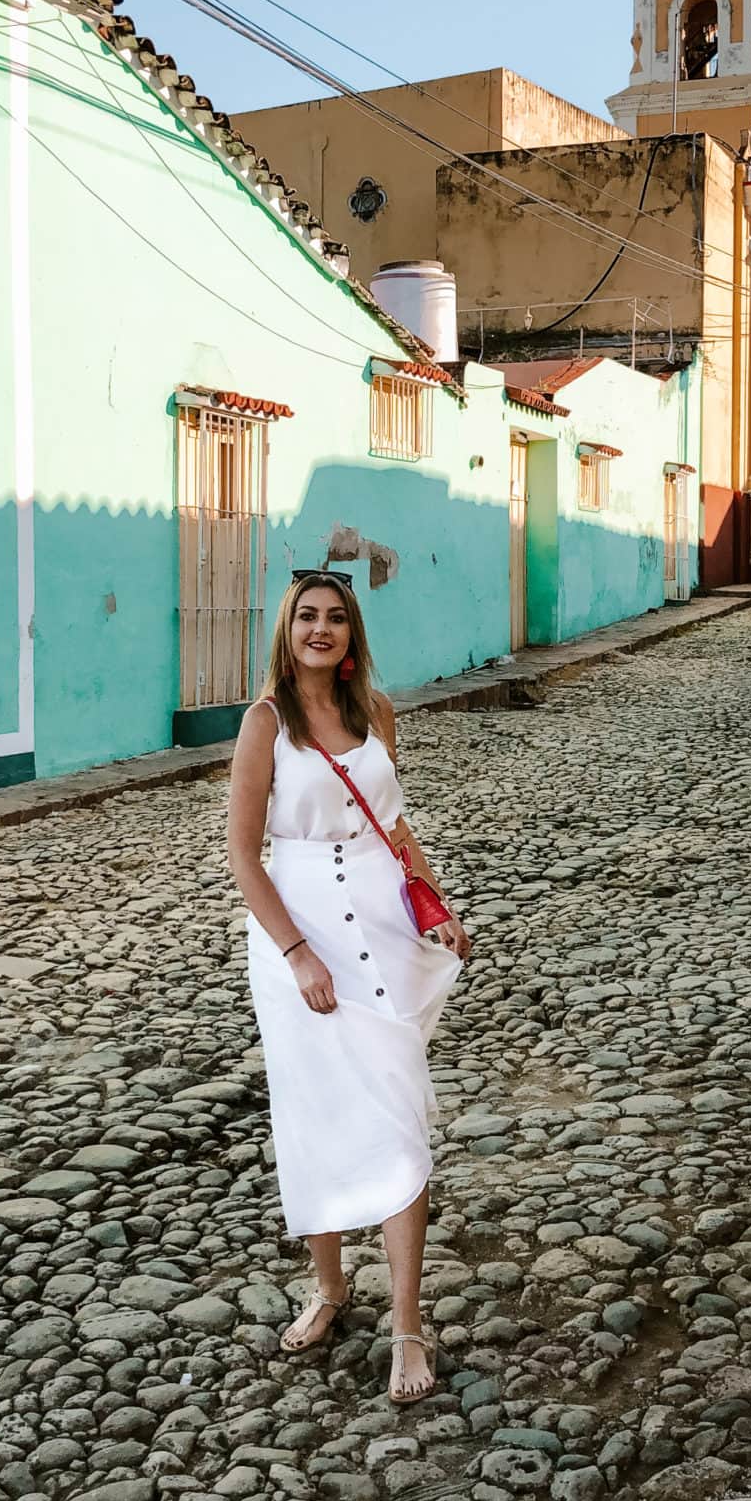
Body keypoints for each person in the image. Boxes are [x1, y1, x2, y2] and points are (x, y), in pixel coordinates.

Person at [228, 570, 471, 1405]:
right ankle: (330, 1288)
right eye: (307, 617)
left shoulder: (376, 712)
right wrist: (297, 952)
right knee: (314, 1110)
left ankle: (407, 1322)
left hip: (381, 925)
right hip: (300, 934)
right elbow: (242, 855)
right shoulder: (264, 724)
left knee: (400, 1111)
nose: (320, 630)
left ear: (351, 631)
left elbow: (394, 822)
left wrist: (432, 904)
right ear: (288, 631)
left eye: (335, 617)